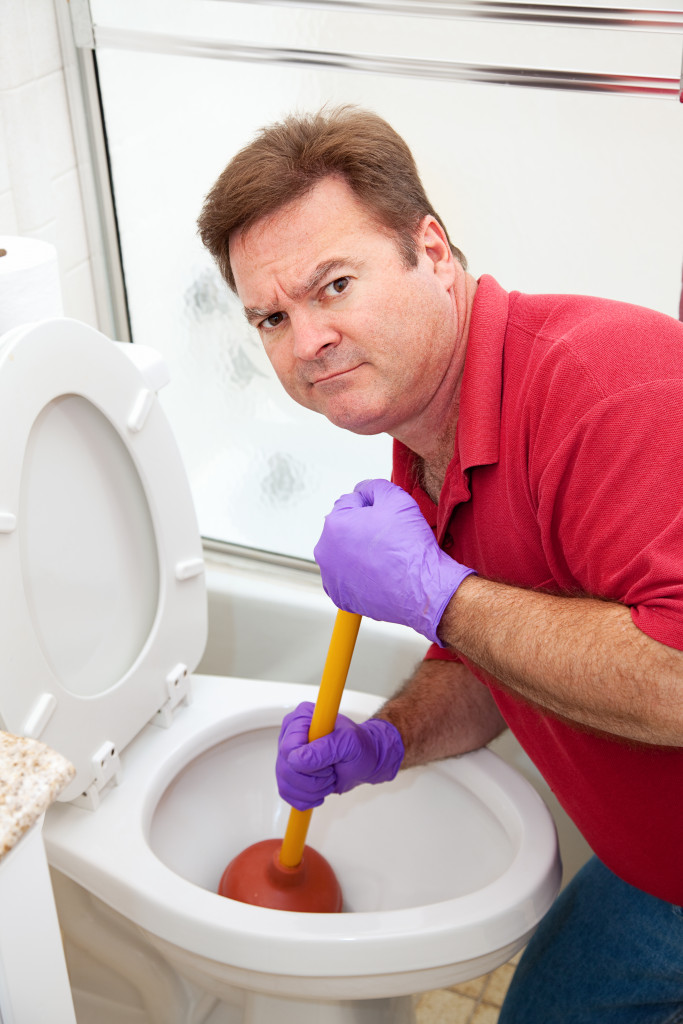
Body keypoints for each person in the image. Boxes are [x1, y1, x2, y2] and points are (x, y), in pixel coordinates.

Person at [198, 105, 683, 1022]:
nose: (306, 344)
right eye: (271, 315)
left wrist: (439, 594)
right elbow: (497, 654)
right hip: (657, 872)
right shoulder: (426, 432)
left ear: (432, 252)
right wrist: (383, 742)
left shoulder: (608, 388)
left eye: (333, 284)